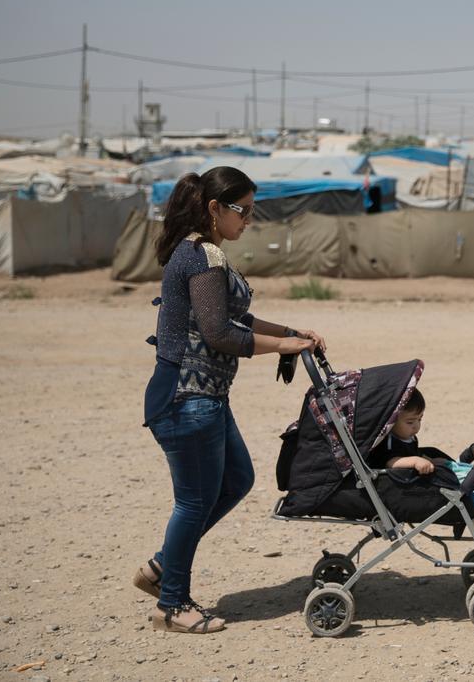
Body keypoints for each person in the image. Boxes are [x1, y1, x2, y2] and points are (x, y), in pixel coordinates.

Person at [132, 167, 325, 634]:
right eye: (244, 211)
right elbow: (219, 333)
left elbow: (238, 318)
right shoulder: (200, 256)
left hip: (207, 398)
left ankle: (162, 567)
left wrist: (290, 332)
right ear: (215, 208)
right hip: (186, 399)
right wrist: (282, 346)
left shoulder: (208, 253)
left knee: (237, 479)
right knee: (194, 503)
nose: (249, 221)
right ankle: (171, 605)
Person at [369, 389, 433, 474]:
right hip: (391, 477)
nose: (417, 426)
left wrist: (426, 459)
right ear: (391, 422)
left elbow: (414, 452)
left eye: (419, 419)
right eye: (410, 422)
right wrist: (415, 461)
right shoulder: (387, 441)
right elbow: (390, 462)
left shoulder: (409, 437)